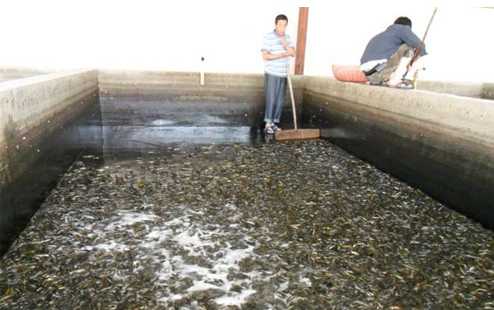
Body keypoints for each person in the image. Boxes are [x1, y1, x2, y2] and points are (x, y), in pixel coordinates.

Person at [360, 17, 427, 88]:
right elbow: (420, 46)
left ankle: (386, 80)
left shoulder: (381, 35)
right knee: (409, 47)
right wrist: (414, 61)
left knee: (406, 48)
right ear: (408, 27)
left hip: (368, 74)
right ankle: (402, 80)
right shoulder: (402, 29)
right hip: (378, 70)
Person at [261, 14, 295, 134]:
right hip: (272, 73)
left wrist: (285, 44)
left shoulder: (288, 37)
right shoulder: (268, 37)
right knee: (271, 98)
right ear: (275, 24)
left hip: (283, 73)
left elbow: (292, 53)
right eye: (280, 25)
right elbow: (265, 56)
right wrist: (281, 54)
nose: (282, 27)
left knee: (280, 100)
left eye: (284, 25)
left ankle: (274, 123)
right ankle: (268, 124)